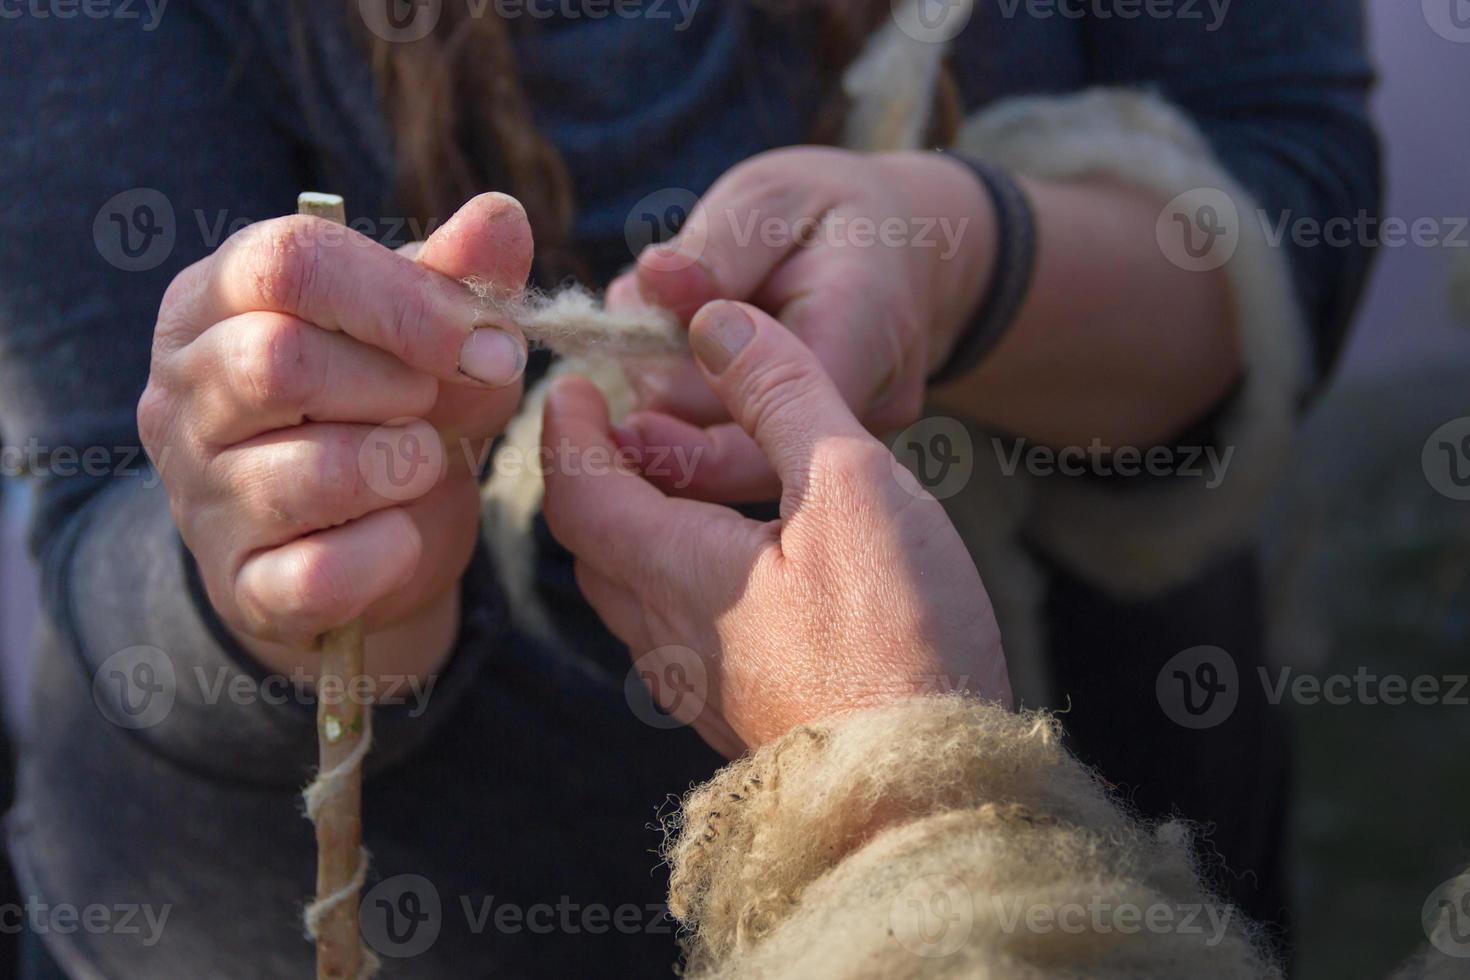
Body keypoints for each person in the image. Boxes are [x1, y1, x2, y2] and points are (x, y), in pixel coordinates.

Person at [0, 1, 1377, 975]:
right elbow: (98, 496)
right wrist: (302, 563)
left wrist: (959, 259)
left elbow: (1289, 176)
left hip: (1098, 860)